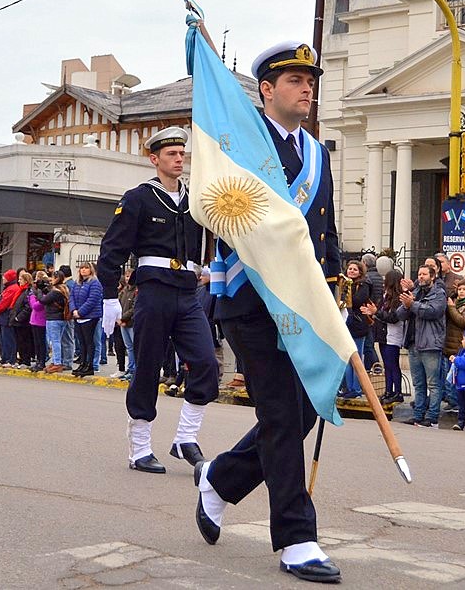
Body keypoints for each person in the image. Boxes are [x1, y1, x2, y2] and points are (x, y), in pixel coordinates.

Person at [192, 42, 342, 583]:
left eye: (310, 79)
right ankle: (298, 540)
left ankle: (220, 480)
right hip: (251, 301)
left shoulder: (319, 154)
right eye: (295, 80)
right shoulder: (240, 145)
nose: (307, 88)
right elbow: (219, 210)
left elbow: (324, 235)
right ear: (266, 90)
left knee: (301, 417)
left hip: (303, 306)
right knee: (281, 416)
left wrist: (337, 290)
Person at [96, 126, 220, 473]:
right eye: (171, 154)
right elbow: (112, 250)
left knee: (207, 364)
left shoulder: (195, 199)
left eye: (182, 153)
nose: (179, 159)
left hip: (187, 293)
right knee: (148, 368)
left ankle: (185, 438)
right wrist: (109, 298)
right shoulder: (139, 198)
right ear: (155, 159)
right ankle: (139, 448)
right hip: (153, 292)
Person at [398, 264, 447, 428]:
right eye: (419, 274)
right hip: (413, 344)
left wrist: (412, 305)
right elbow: (399, 314)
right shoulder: (415, 293)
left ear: (432, 277)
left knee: (433, 384)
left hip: (430, 344)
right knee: (418, 384)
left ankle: (432, 417)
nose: (421, 277)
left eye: (425, 274)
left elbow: (432, 312)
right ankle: (418, 415)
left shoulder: (439, 294)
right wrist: (406, 306)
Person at [363, 270, 408, 403]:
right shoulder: (385, 296)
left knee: (392, 364)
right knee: (387, 365)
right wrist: (372, 312)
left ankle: (397, 392)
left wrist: (377, 312)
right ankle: (388, 390)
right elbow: (378, 312)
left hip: (393, 335)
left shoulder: (398, 298)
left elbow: (394, 318)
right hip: (383, 334)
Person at [341, 260, 372, 399]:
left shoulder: (363, 285)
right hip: (345, 324)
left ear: (360, 272)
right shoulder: (343, 284)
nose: (351, 271)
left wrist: (347, 298)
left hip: (358, 324)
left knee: (357, 357)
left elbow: (358, 301)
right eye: (350, 268)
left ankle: (356, 388)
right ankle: (348, 387)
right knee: (347, 357)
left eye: (355, 269)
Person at [70, 262, 103, 378]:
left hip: (90, 317)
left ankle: (89, 366)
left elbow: (92, 300)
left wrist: (80, 312)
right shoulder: (77, 283)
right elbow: (72, 297)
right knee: (81, 342)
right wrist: (74, 310)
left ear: (91, 270)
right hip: (78, 316)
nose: (83, 270)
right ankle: (82, 363)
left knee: (89, 342)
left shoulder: (94, 283)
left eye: (86, 268)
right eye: (81, 268)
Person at [40, 270, 71, 373]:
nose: (51, 280)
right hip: (61, 318)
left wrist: (39, 292)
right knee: (57, 340)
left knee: (55, 341)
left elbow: (43, 300)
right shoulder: (64, 289)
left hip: (54, 318)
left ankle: (57, 362)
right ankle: (55, 361)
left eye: (52, 278)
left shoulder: (56, 291)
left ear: (57, 278)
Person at [0, 269, 21, 367]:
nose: (3, 278)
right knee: (3, 339)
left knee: (8, 339)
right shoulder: (10, 288)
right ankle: (5, 358)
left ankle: (9, 358)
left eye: (5, 277)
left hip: (6, 316)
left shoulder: (11, 289)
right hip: (4, 316)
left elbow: (4, 303)